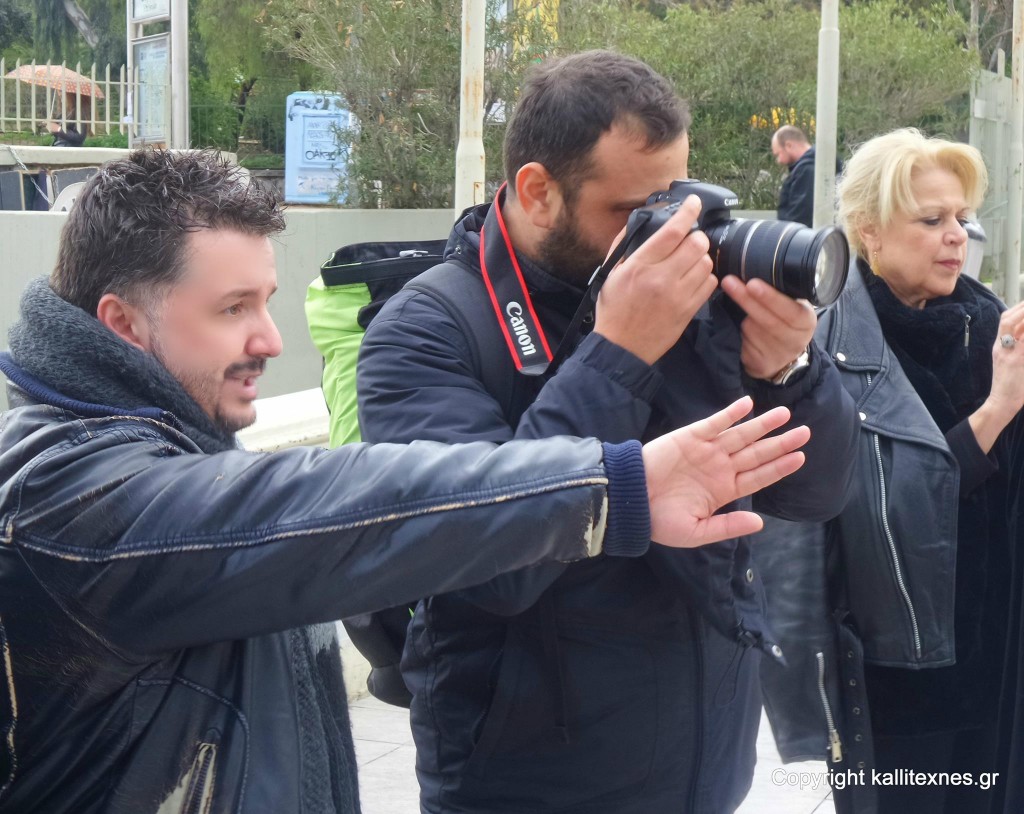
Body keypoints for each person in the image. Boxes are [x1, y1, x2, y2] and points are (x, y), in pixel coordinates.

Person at [0, 148, 815, 814]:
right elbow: (339, 506)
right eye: (233, 309)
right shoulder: (69, 500)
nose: (272, 340)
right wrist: (614, 486)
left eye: (267, 302)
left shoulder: (170, 442)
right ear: (122, 324)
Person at [355, 50, 859, 814]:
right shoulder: (427, 330)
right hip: (529, 781)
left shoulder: (692, 294)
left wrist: (791, 370)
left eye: (676, 197)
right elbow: (484, 568)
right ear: (538, 191)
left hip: (707, 764)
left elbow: (817, 493)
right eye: (635, 210)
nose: (667, 232)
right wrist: (619, 352)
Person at [757, 128, 1024, 814]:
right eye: (931, 220)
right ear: (869, 231)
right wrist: (997, 411)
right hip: (895, 683)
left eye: (962, 217)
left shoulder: (988, 323)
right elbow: (874, 509)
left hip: (996, 662)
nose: (956, 236)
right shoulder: (823, 342)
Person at [772, 124, 819, 227]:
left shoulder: (807, 171)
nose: (779, 161)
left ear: (788, 145)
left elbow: (801, 216)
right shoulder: (813, 166)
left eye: (778, 154)